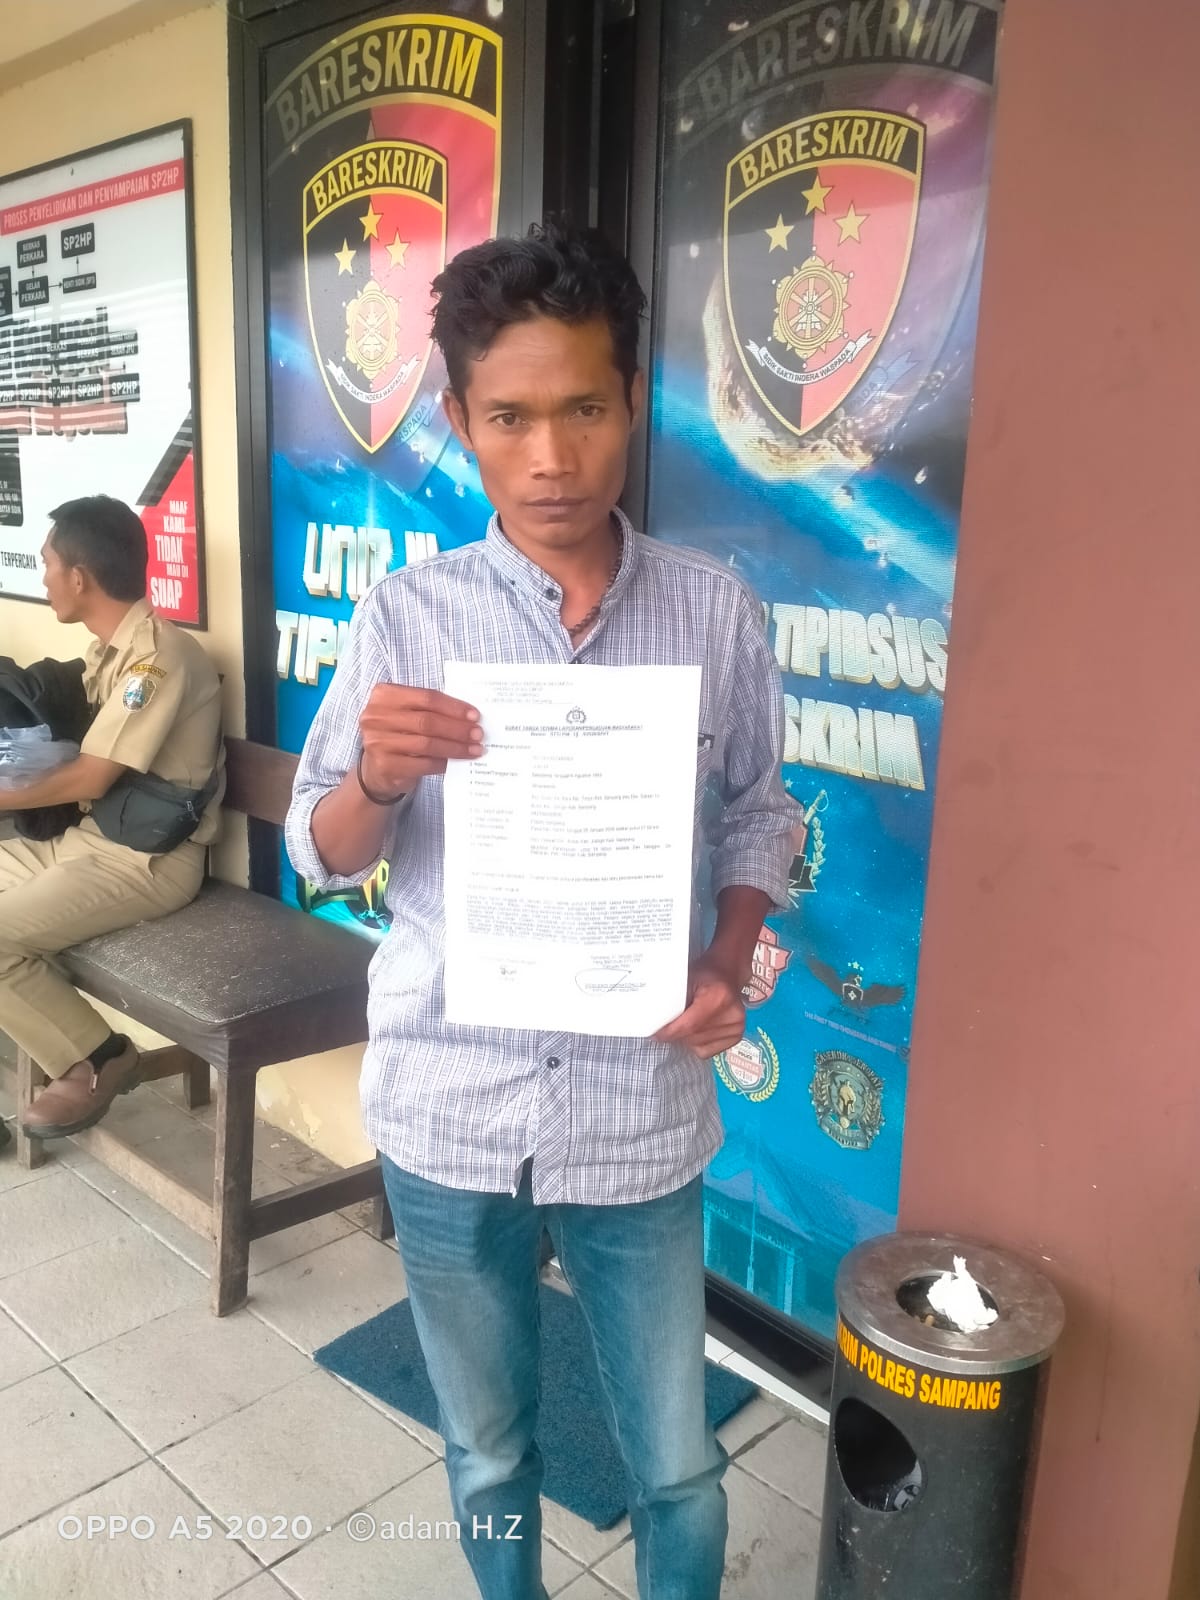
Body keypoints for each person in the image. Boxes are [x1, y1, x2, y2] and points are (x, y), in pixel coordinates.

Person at [285, 221, 800, 1600]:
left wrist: (727, 957)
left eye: (584, 408)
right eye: (509, 418)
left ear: (633, 401)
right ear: (460, 421)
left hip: (639, 1107)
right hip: (451, 1105)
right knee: (487, 1450)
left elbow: (760, 811)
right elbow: (318, 856)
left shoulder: (714, 614)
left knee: (678, 1466)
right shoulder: (408, 617)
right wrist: (376, 780)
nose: (552, 457)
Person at [0, 495, 222, 1144]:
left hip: (145, 862)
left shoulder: (157, 658)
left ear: (79, 577)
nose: (43, 578)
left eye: (48, 564)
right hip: (91, 840)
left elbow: (91, 777)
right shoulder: (110, 650)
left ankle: (99, 1058)